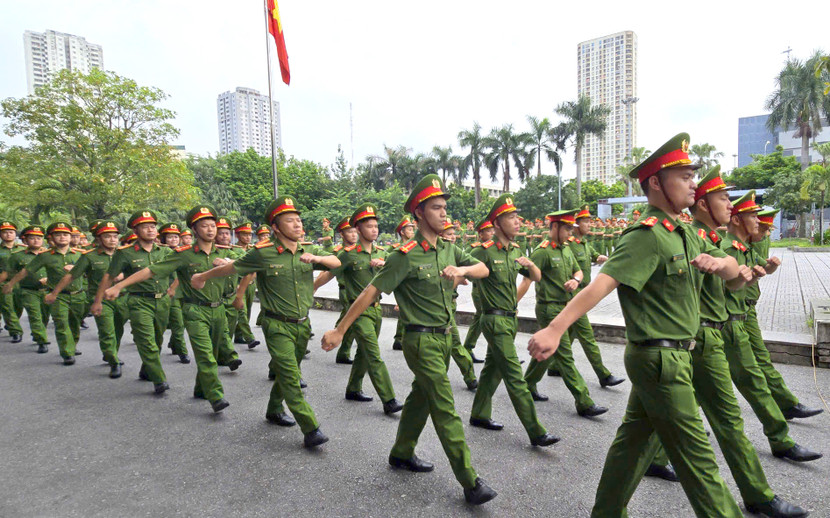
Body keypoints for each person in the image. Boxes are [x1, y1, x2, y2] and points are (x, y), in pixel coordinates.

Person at [528, 133, 746, 517]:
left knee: (632, 445)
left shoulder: (684, 232)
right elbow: (602, 284)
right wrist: (555, 328)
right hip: (659, 360)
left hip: (675, 357)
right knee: (699, 460)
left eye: (693, 176)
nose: (693, 183)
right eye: (684, 176)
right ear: (656, 183)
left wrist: (722, 264)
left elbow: (733, 271)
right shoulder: (646, 236)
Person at [322, 175, 497, 505]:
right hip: (420, 341)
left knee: (421, 397)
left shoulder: (449, 248)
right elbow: (369, 293)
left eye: (445, 207)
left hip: (445, 338)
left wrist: (462, 271)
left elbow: (483, 269)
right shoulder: (403, 256)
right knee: (444, 406)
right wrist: (340, 330)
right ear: (418, 213)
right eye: (436, 208)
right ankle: (470, 481)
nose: (444, 213)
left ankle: (401, 452)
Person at [680, 169, 808, 517]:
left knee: (646, 425)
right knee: (727, 417)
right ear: (703, 204)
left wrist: (743, 276)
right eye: (724, 198)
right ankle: (758, 492)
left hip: (710, 333)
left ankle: (633, 480)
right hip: (699, 337)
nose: (731, 206)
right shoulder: (689, 237)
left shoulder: (711, 240)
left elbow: (728, 284)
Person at [191, 196, 339, 447]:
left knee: (290, 370)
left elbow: (336, 262)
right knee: (290, 376)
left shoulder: (308, 250)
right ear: (275, 227)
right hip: (277, 324)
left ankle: (273, 409)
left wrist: (317, 259)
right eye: (290, 220)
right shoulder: (262, 253)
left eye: (298, 220)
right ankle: (310, 428)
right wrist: (203, 276)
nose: (297, 224)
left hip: (303, 324)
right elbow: (232, 268)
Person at [720, 191, 822, 463]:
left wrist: (758, 274)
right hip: (725, 324)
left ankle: (657, 451)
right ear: (737, 219)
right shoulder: (725, 248)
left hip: (737, 318)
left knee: (694, 391)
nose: (760, 222)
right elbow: (720, 289)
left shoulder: (740, 248)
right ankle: (781, 439)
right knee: (750, 383)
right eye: (754, 216)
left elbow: (740, 282)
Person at [466, 194, 560, 447]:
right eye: (511, 218)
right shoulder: (482, 251)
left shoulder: (516, 251)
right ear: (497, 224)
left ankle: (479, 414)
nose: (518, 222)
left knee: (492, 369)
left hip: (510, 318)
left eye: (517, 217)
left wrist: (531, 265)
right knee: (515, 376)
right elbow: (464, 268)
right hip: (494, 319)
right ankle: (536, 431)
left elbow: (536, 277)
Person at [520, 209, 609, 417]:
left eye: (571, 228)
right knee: (565, 355)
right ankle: (584, 401)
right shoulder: (542, 252)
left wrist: (575, 280)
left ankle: (528, 384)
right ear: (555, 227)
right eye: (567, 228)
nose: (570, 232)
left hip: (567, 305)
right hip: (549, 308)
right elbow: (527, 279)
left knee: (548, 350)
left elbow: (578, 270)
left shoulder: (566, 248)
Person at [326, 204, 402, 414]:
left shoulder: (383, 254)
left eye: (376, 226)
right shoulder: (348, 254)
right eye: (369, 226)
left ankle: (353, 388)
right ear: (358, 230)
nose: (374, 230)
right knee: (373, 354)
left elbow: (395, 279)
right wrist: (310, 290)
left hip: (376, 309)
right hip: (357, 312)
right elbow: (329, 273)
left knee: (363, 352)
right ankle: (389, 399)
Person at [749, 209, 823, 421]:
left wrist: (769, 266)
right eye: (761, 227)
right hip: (728, 314)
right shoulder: (730, 245)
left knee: (750, 363)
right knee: (743, 367)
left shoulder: (747, 246)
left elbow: (763, 268)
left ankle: (785, 405)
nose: (764, 233)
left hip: (743, 309)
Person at [94, 210, 172, 395]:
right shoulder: (125, 253)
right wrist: (98, 300)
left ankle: (147, 369)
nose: (150, 230)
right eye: (145, 227)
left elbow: (178, 274)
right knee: (146, 341)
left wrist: (173, 290)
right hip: (139, 301)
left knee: (158, 339)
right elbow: (108, 276)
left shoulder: (166, 251)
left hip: (162, 301)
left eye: (153, 227)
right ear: (136, 231)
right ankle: (159, 379)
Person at [46, 220, 129, 378]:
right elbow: (71, 276)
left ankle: (111, 353)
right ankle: (113, 361)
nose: (112, 239)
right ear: (98, 239)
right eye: (107, 236)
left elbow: (139, 271)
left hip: (123, 298)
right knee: (107, 331)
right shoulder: (89, 256)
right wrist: (55, 292)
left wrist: (123, 275)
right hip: (101, 299)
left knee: (118, 329)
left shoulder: (125, 254)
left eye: (115, 236)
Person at [560, 205, 624, 388]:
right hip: (574, 295)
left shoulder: (584, 243)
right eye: (586, 222)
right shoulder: (570, 245)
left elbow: (593, 256)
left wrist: (601, 257)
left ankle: (552, 366)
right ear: (576, 224)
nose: (590, 224)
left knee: (568, 333)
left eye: (590, 221)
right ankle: (603, 374)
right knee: (587, 336)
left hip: (583, 292)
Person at [5, 222, 85, 364]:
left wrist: (78, 269)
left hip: (77, 294)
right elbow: (26, 271)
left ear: (70, 236)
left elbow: (93, 273)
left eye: (65, 234)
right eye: (58, 234)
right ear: (52, 238)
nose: (62, 237)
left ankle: (72, 344)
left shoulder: (81, 255)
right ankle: (67, 352)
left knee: (74, 323)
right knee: (61, 323)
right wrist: (10, 283)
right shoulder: (45, 256)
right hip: (57, 296)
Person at [440, 218, 479, 391]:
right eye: (448, 234)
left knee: (453, 342)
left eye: (453, 233)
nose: (452, 237)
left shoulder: (453, 251)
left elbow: (477, 268)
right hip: (438, 305)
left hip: (450, 303)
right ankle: (468, 378)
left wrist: (462, 274)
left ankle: (470, 377)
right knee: (451, 343)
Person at [313, 216, 358, 364]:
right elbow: (328, 273)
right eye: (350, 232)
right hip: (346, 291)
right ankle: (340, 345)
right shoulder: (339, 253)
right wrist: (314, 287)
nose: (354, 234)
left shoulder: (359, 250)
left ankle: (340, 346)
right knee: (353, 320)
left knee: (349, 320)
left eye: (355, 231)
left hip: (359, 292)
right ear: (342, 235)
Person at [0, 225, 50, 351]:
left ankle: (38, 332)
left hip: (47, 290)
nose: (36, 241)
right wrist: (8, 284)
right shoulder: (18, 256)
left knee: (44, 316)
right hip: (27, 290)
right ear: (25, 240)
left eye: (39, 238)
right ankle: (41, 340)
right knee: (34, 315)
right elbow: (7, 272)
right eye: (32, 238)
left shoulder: (49, 254)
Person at [461, 218, 495, 364]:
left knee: (482, 318)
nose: (492, 233)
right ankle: (469, 348)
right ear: (480, 234)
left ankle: (469, 348)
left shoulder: (495, 248)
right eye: (488, 231)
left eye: (493, 230)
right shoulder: (475, 250)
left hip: (492, 290)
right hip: (479, 289)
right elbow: (463, 265)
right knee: (484, 317)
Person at [158, 223, 190, 363]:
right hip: (171, 293)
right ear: (164, 239)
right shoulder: (162, 252)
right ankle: (182, 351)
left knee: (183, 322)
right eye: (170, 237)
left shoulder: (185, 252)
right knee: (177, 322)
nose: (173, 240)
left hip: (186, 292)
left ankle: (174, 344)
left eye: (176, 237)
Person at [232, 221, 259, 349]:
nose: (248, 237)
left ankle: (239, 335)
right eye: (244, 234)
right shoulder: (233, 249)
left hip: (251, 284)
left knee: (248, 310)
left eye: (249, 234)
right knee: (242, 310)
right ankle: (250, 338)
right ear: (237, 235)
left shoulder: (253, 249)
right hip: (239, 284)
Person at [390, 215, 415, 351]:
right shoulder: (396, 248)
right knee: (404, 309)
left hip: (412, 282)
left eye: (412, 229)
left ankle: (401, 337)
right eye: (409, 229)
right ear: (402, 232)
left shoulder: (414, 247)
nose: (412, 232)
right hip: (400, 283)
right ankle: (400, 338)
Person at [0, 221, 24, 343]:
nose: (8, 234)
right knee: (7, 306)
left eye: (11, 232)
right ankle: (16, 331)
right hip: (3, 282)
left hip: (20, 282)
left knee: (19, 306)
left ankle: (11, 323)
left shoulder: (23, 248)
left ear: (15, 234)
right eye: (5, 232)